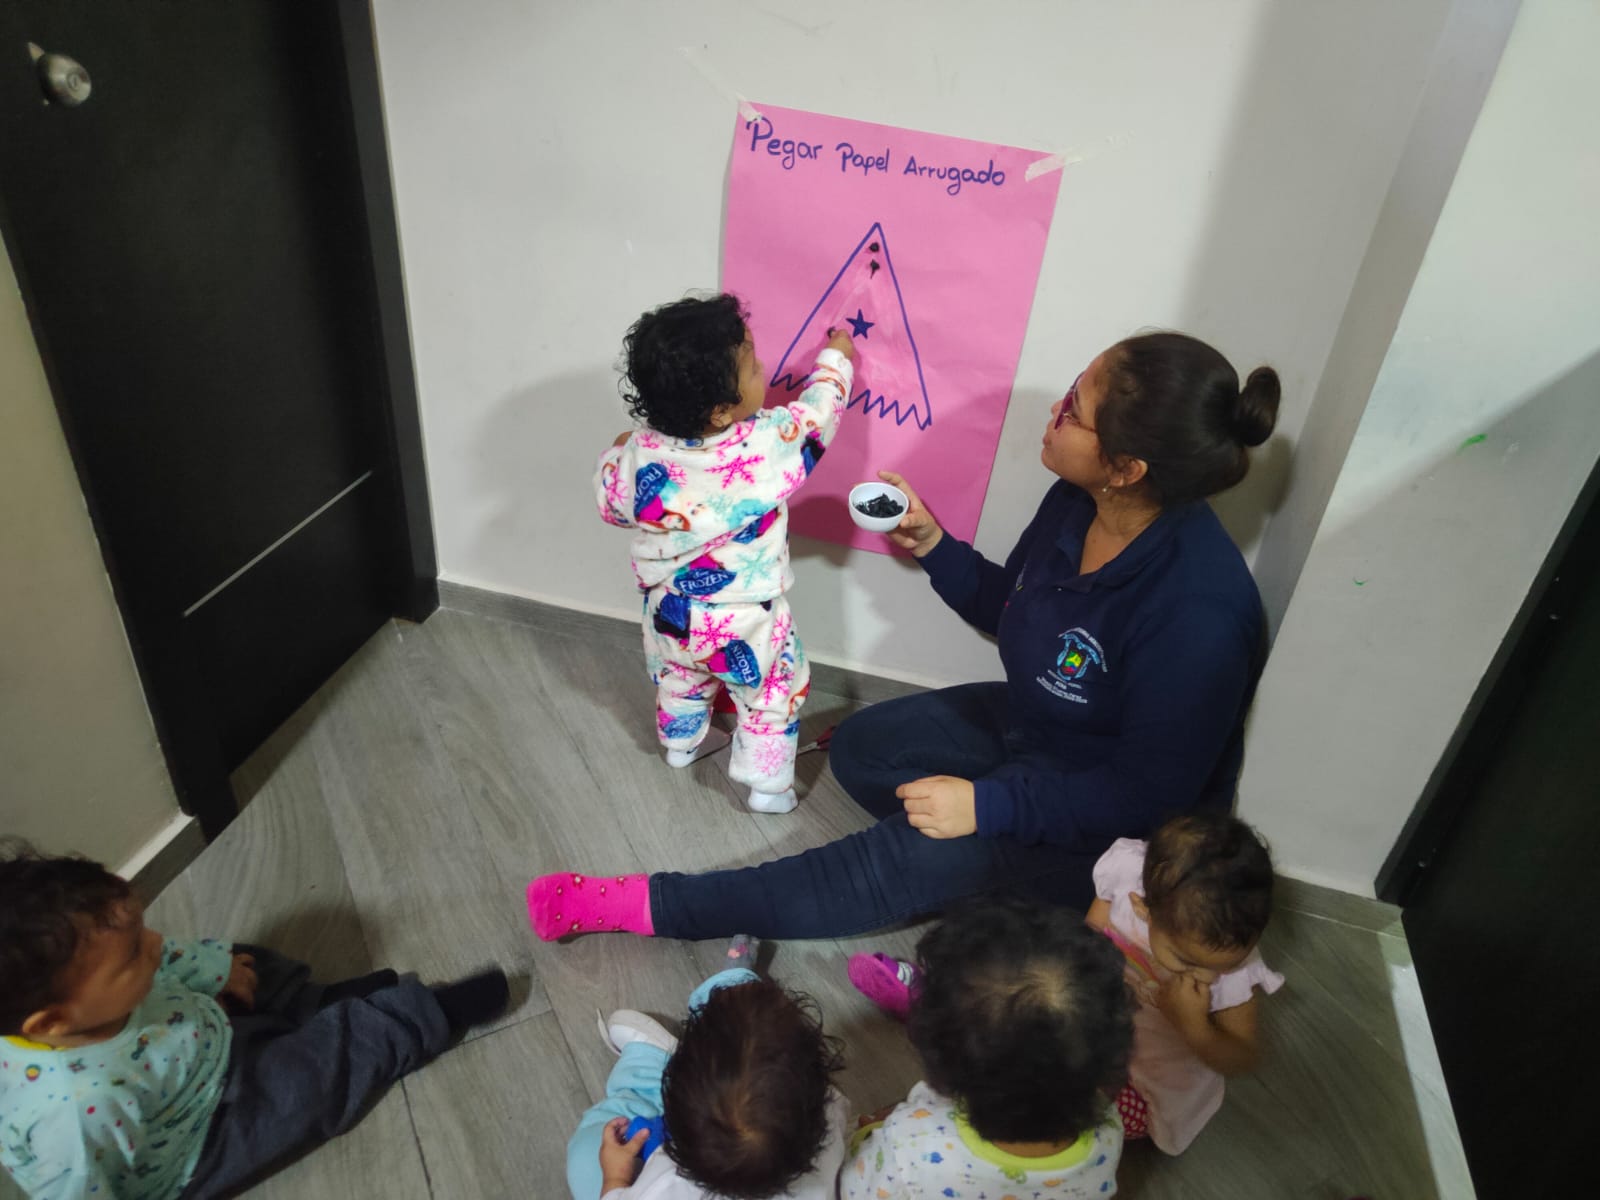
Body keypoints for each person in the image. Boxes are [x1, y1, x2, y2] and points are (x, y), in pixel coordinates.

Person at [527, 331, 1279, 942]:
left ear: (1127, 467)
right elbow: (1015, 610)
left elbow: (1143, 795)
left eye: (1075, 410)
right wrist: (931, 543)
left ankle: (651, 905)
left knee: (878, 864)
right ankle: (987, 877)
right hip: (1039, 731)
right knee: (863, 749)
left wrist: (989, 809)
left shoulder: (1199, 615)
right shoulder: (1077, 501)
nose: (1056, 408)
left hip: (1109, 825)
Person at [0, 841, 508, 1199]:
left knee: (241, 959)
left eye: (141, 930)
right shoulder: (74, 1119)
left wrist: (214, 969)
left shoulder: (96, 989)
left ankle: (313, 1003)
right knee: (306, 1083)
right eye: (134, 952)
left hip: (192, 1031)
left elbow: (165, 956)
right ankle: (417, 1016)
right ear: (52, 1024)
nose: (154, 943)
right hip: (201, 1131)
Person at [593, 292, 855, 816]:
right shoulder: (765, 443)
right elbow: (819, 414)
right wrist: (837, 358)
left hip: (670, 613)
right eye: (753, 367)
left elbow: (610, 505)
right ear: (720, 410)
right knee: (770, 693)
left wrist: (619, 450)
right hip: (746, 619)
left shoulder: (641, 453)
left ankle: (681, 745)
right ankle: (768, 788)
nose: (764, 369)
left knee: (682, 677)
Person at [841, 897, 1129, 1197]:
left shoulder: (910, 1147)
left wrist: (867, 1134)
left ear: (941, 1070)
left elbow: (854, 1189)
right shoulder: (1109, 1131)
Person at [567, 936, 849, 1200]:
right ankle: (732, 987)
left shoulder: (662, 1188)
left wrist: (615, 1178)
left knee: (585, 1156)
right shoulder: (830, 1115)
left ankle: (650, 1061)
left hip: (651, 1158)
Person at [1087, 812, 1282, 1153]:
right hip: (1099, 1022)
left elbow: (1242, 1057)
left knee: (1086, 1110)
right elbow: (1092, 931)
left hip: (1150, 1076)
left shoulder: (1234, 975)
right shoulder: (1125, 874)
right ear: (1143, 908)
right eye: (1189, 961)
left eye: (1227, 965)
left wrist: (1195, 1027)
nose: (1208, 977)